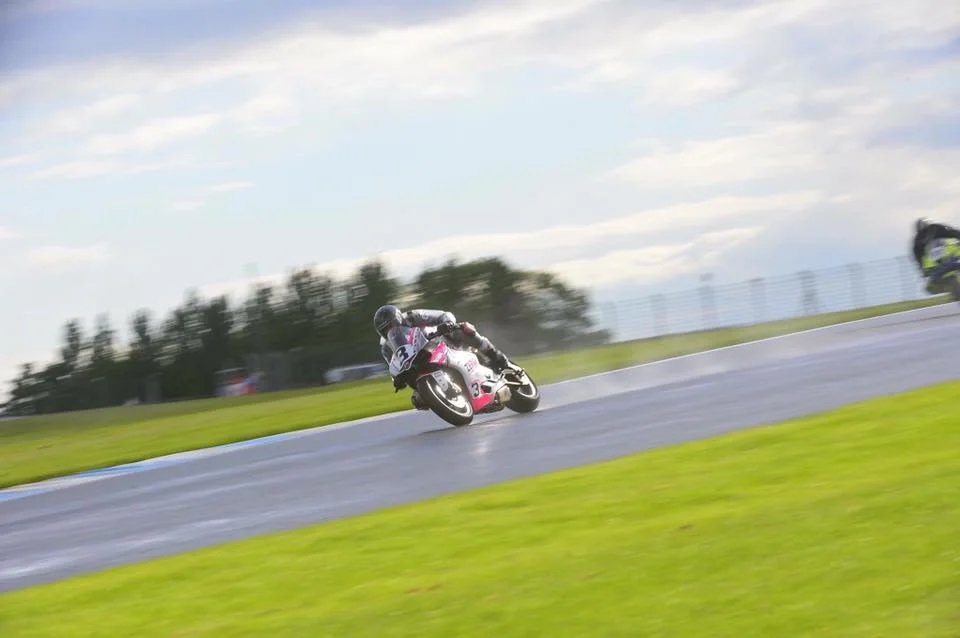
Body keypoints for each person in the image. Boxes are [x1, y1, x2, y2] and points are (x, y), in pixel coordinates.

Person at [373, 304, 511, 410]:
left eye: (391, 325)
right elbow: (395, 365)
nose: (390, 330)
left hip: (438, 342)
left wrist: (447, 324)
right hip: (417, 363)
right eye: (385, 329)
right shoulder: (386, 347)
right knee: (417, 400)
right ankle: (449, 400)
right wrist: (398, 380)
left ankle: (495, 355)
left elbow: (443, 315)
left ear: (398, 319)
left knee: (463, 329)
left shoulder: (412, 316)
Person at [911, 217, 960, 293]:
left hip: (947, 249)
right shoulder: (918, 239)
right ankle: (939, 286)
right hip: (934, 258)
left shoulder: (936, 227)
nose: (924, 232)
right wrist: (922, 269)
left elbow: (951, 231)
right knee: (930, 278)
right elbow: (917, 255)